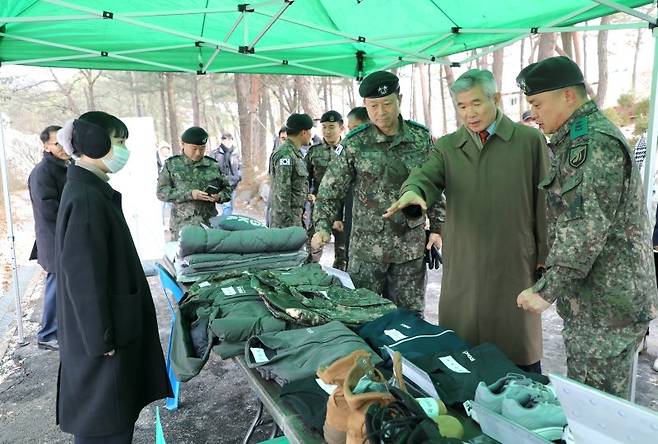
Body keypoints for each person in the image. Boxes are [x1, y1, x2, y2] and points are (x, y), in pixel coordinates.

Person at [385, 69, 549, 372]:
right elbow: (425, 176)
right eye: (461, 106)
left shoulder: (528, 140)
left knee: (517, 352)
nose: (469, 113)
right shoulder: (448, 146)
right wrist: (413, 192)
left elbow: (545, 203)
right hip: (465, 264)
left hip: (514, 262)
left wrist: (543, 258)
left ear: (495, 99)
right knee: (463, 353)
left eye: (476, 103)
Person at [514, 56, 658, 398]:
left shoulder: (592, 144)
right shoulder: (576, 139)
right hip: (597, 299)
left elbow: (585, 228)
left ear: (567, 96)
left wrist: (546, 289)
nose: (533, 113)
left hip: (607, 304)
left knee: (598, 407)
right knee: (593, 399)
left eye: (537, 103)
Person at [54, 111, 172, 443]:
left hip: (109, 334)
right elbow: (83, 279)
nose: (123, 150)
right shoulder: (87, 198)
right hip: (105, 342)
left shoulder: (90, 190)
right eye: (118, 141)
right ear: (95, 142)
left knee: (113, 419)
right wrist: (100, 338)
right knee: (106, 424)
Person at [311, 71, 443, 314]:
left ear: (399, 100)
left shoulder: (420, 139)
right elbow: (330, 189)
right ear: (365, 106)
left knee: (409, 319)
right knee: (364, 316)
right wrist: (322, 226)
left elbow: (434, 184)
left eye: (387, 104)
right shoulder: (354, 143)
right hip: (366, 252)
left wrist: (437, 228)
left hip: (409, 249)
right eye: (373, 106)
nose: (381, 112)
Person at [28, 124, 69, 351]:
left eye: (64, 141)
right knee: (55, 285)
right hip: (54, 239)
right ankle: (47, 334)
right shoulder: (42, 172)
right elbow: (48, 210)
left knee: (62, 285)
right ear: (46, 146)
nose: (62, 147)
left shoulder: (65, 166)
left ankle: (57, 330)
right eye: (57, 144)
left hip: (64, 237)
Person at [156, 126, 232, 240]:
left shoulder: (213, 165)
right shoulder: (171, 165)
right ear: (183, 144)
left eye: (202, 149)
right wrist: (190, 194)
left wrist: (219, 197)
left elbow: (227, 190)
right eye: (194, 148)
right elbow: (161, 193)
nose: (198, 153)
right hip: (182, 228)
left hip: (209, 226)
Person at [305, 110, 347, 268]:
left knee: (343, 255)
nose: (327, 131)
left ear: (341, 128)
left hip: (343, 210)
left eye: (331, 127)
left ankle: (341, 288)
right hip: (320, 209)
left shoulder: (349, 150)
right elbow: (304, 179)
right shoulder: (314, 152)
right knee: (312, 249)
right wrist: (309, 195)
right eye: (324, 127)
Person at [269, 113, 313, 228]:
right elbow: (282, 193)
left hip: (296, 217)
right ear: (304, 133)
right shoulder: (285, 155)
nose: (311, 135)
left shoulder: (295, 153)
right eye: (310, 132)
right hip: (286, 223)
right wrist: (288, 225)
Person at [343, 107, 370, 266]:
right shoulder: (347, 148)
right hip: (352, 211)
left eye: (356, 128)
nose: (352, 133)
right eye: (349, 128)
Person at [211, 132, 242, 216]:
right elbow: (211, 168)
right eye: (225, 140)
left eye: (229, 140)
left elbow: (240, 166)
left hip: (233, 183)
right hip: (221, 184)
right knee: (226, 206)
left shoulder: (236, 153)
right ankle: (224, 226)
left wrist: (239, 177)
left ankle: (224, 223)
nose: (227, 142)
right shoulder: (215, 154)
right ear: (222, 141)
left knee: (231, 207)